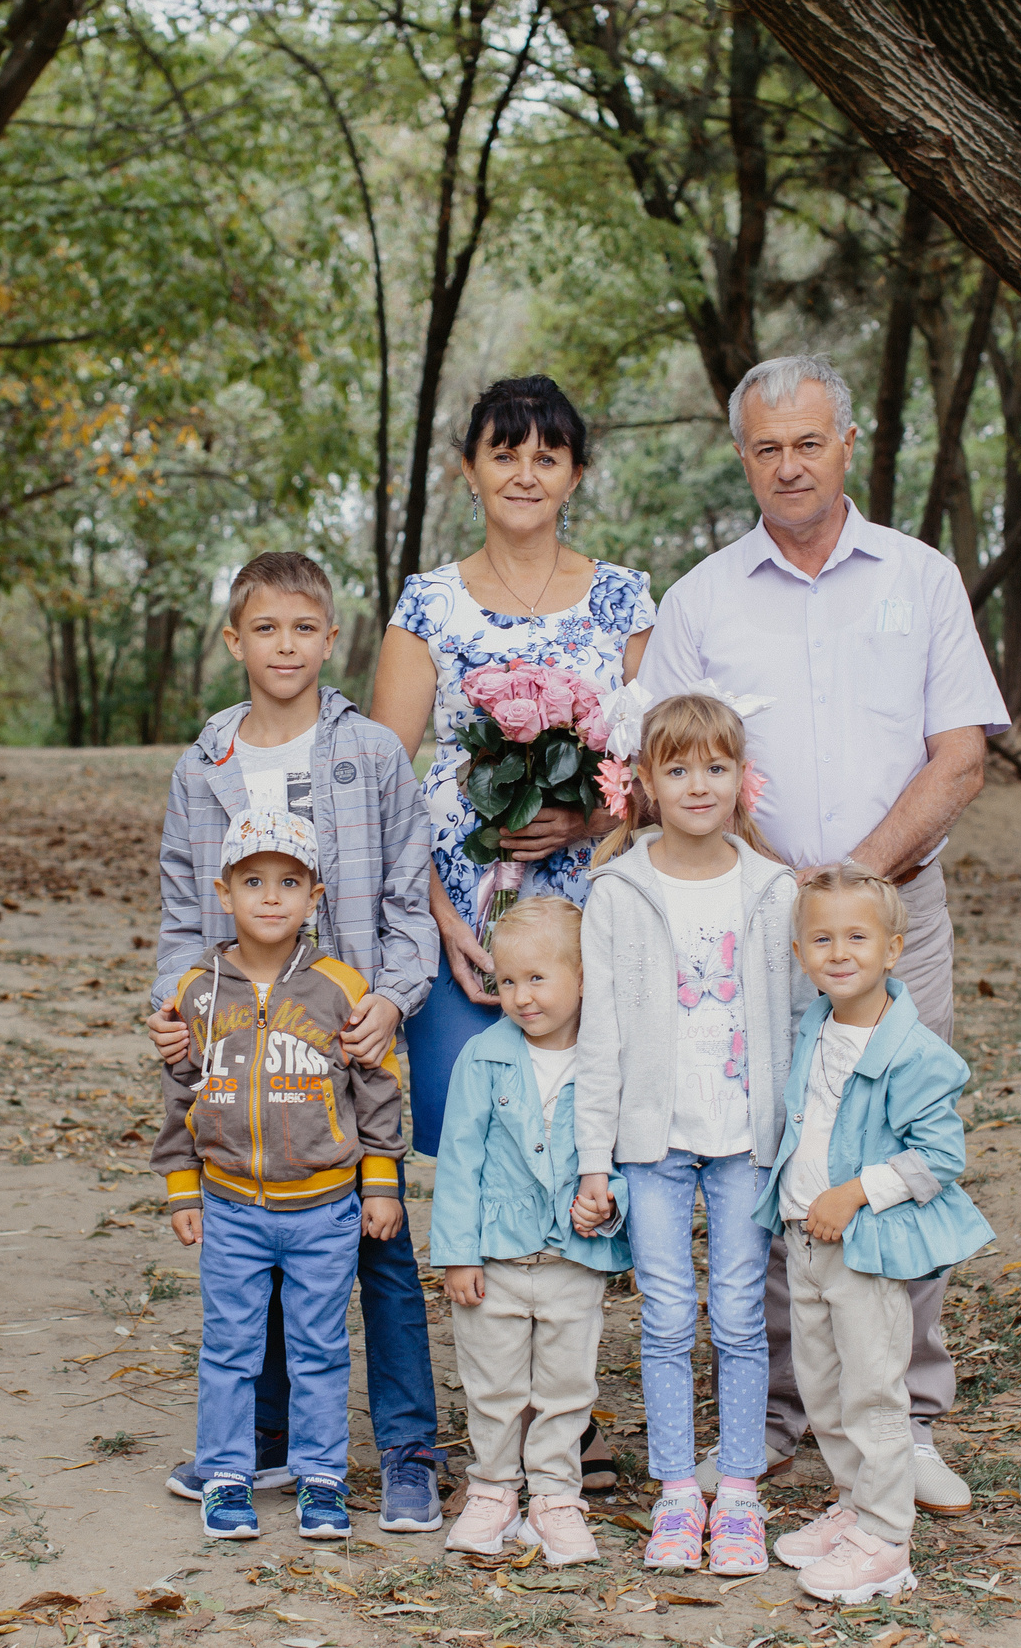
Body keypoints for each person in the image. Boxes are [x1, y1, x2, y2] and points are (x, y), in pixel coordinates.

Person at [637, 353, 1008, 1514]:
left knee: (899, 1144)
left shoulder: (922, 577)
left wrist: (861, 878)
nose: (788, 466)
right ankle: (792, 1412)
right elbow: (664, 770)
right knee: (771, 1150)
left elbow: (961, 755)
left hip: (898, 916)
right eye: (765, 448)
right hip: (750, 926)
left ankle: (906, 1416)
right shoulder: (699, 599)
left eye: (808, 443)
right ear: (740, 456)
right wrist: (776, 888)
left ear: (847, 443)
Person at [373, 374, 653, 1491]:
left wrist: (589, 814)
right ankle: (495, 1413)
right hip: (457, 931)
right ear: (471, 470)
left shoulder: (625, 600)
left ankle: (567, 1418)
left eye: (547, 454)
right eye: (504, 452)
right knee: (484, 1151)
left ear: (575, 471)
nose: (525, 472)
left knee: (575, 1144)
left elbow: (657, 759)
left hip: (590, 921)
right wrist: (440, 916)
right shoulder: (428, 605)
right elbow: (382, 777)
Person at [147, 552, 446, 1531]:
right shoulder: (206, 769)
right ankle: (261, 1445)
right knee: (254, 1243)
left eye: (303, 628)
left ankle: (406, 1449)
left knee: (378, 1247)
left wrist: (394, 1001)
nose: (285, 646)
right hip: (240, 1050)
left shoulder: (369, 757)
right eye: (264, 629)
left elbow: (409, 901)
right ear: (235, 641)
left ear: (331, 639)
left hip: (351, 1048)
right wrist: (175, 1008)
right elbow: (183, 912)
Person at [570, 692, 806, 1577]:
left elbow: (798, 1020)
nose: (698, 784)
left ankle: (737, 1490)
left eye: (715, 766)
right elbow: (602, 1038)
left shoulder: (773, 891)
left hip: (748, 1142)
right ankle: (677, 1490)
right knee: (668, 1316)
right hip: (652, 1143)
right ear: (644, 782)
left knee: (741, 1314)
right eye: (677, 768)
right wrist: (596, 1157)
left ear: (743, 779)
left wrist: (799, 1144)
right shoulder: (619, 891)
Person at [152, 808, 409, 1543]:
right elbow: (179, 1091)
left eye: (288, 882)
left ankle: (320, 1475)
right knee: (230, 1344)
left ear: (315, 895)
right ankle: (227, 1472)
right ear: (223, 891)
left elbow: (378, 1085)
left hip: (324, 1206)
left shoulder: (338, 986)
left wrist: (382, 1180)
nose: (271, 897)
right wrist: (182, 1187)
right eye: (253, 881)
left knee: (320, 1345)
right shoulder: (198, 992)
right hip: (232, 1203)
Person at [752, 863, 995, 1603]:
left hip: (863, 1249)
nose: (839, 951)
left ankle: (886, 1539)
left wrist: (855, 1193)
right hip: (805, 1243)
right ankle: (855, 1504)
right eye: (821, 938)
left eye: (857, 936)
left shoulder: (913, 1053)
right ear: (800, 954)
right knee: (822, 1388)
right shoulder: (813, 1029)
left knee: (872, 1392)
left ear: (892, 949)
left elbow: (941, 1158)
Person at [432, 898, 628, 1566]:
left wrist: (610, 1203)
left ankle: (554, 1495)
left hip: (576, 1256)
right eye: (508, 980)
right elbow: (459, 1159)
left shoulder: (606, 1064)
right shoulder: (483, 1057)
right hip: (497, 1254)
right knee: (493, 1380)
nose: (521, 995)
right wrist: (456, 1253)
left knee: (566, 1384)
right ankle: (492, 1488)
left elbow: (627, 1156)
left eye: (538, 978)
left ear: (582, 977)